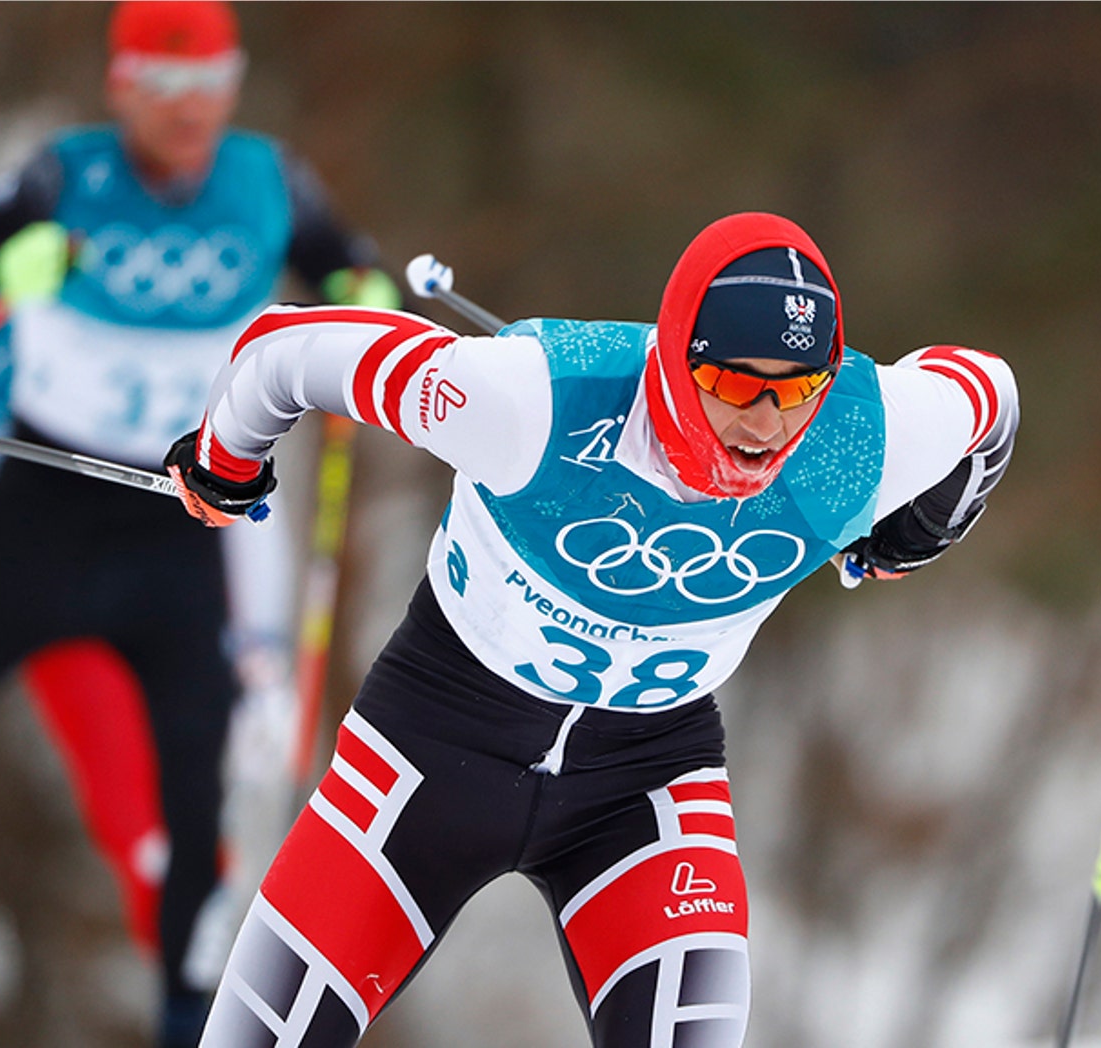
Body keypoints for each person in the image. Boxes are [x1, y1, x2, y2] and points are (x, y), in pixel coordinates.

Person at [160, 210, 1018, 1047]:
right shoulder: (531, 400)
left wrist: (918, 529)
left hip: (645, 781)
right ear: (678, 360)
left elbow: (988, 395)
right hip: (430, 752)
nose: (765, 424)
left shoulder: (859, 440)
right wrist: (225, 460)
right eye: (732, 383)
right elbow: (284, 349)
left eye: (797, 388)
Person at [0, 3, 402, 1046]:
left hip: (172, 526)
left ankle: (190, 1020)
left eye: (211, 84)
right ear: (121, 87)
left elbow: (350, 277)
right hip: (38, 518)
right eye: (165, 90)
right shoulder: (61, 177)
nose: (189, 113)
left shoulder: (268, 181)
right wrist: (7, 266)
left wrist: (366, 293)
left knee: (188, 811)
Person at [0, 304, 297, 1048]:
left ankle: (201, 1007)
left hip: (86, 579)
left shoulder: (167, 356)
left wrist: (263, 660)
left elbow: (250, 498)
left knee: (146, 814)